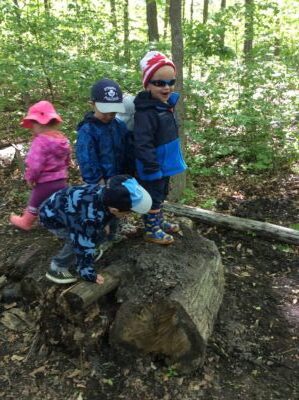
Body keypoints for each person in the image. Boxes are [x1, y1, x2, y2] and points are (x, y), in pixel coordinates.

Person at [39, 175, 152, 285]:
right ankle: (57, 267)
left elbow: (107, 215)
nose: (128, 214)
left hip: (71, 212)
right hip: (52, 217)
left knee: (99, 232)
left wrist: (106, 224)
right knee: (74, 241)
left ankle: (91, 251)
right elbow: (82, 242)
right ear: (114, 210)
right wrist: (88, 273)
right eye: (128, 212)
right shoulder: (88, 219)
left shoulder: (108, 194)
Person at [134, 50, 187, 245]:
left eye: (170, 82)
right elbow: (142, 142)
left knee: (161, 194)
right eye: (159, 83)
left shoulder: (165, 106)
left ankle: (159, 221)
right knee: (152, 197)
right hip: (152, 165)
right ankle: (151, 229)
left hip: (164, 164)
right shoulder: (146, 112)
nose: (166, 87)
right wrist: (151, 166)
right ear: (147, 84)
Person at [10, 101, 71, 231]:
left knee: (34, 202)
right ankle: (65, 223)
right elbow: (67, 159)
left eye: (33, 123)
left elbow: (35, 164)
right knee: (59, 203)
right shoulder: (62, 140)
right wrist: (65, 170)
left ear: (39, 123)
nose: (32, 127)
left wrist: (30, 178)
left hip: (45, 182)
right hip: (61, 180)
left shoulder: (40, 142)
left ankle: (25, 222)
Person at [76, 78, 133, 185]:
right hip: (99, 183)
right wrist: (97, 181)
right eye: (104, 111)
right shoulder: (87, 130)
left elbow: (128, 152)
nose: (108, 116)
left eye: (113, 113)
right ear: (92, 104)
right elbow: (87, 159)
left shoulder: (119, 126)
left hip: (122, 181)